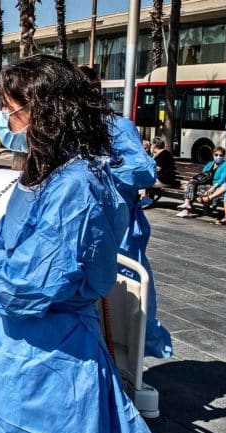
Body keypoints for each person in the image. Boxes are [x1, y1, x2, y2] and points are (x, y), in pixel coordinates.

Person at [0, 54, 152, 433]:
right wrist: (1, 259)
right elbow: (7, 242)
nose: (4, 118)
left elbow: (23, 289)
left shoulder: (76, 187)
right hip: (5, 363)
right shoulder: (42, 173)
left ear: (43, 110)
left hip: (50, 368)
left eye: (10, 108)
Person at [78, 64, 172, 359]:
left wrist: (103, 166)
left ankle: (127, 365)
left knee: (123, 303)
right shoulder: (66, 130)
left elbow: (143, 171)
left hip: (119, 229)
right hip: (84, 226)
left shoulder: (118, 128)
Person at [177, 146, 226, 218]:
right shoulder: (210, 164)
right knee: (192, 184)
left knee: (192, 186)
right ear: (213, 155)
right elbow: (202, 175)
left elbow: (222, 178)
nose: (218, 157)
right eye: (216, 155)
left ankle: (186, 209)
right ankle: (187, 207)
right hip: (205, 184)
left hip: (216, 186)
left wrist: (213, 187)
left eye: (221, 155)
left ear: (223, 156)